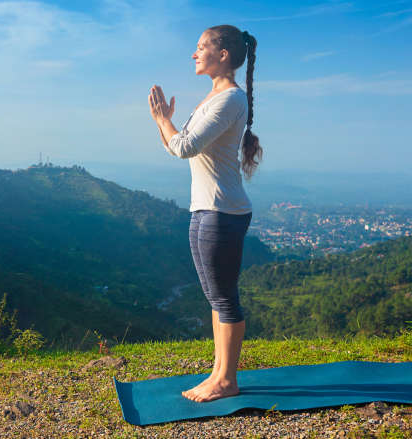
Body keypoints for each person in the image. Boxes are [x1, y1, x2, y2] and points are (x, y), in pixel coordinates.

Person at [148, 24, 263, 403]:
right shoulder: (213, 98)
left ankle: (227, 380)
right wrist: (163, 124)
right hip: (205, 208)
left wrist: (164, 120)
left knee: (225, 297)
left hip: (223, 211)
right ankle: (218, 373)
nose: (194, 54)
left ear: (224, 54)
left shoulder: (229, 99)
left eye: (200, 47)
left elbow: (183, 147)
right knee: (216, 296)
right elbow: (179, 148)